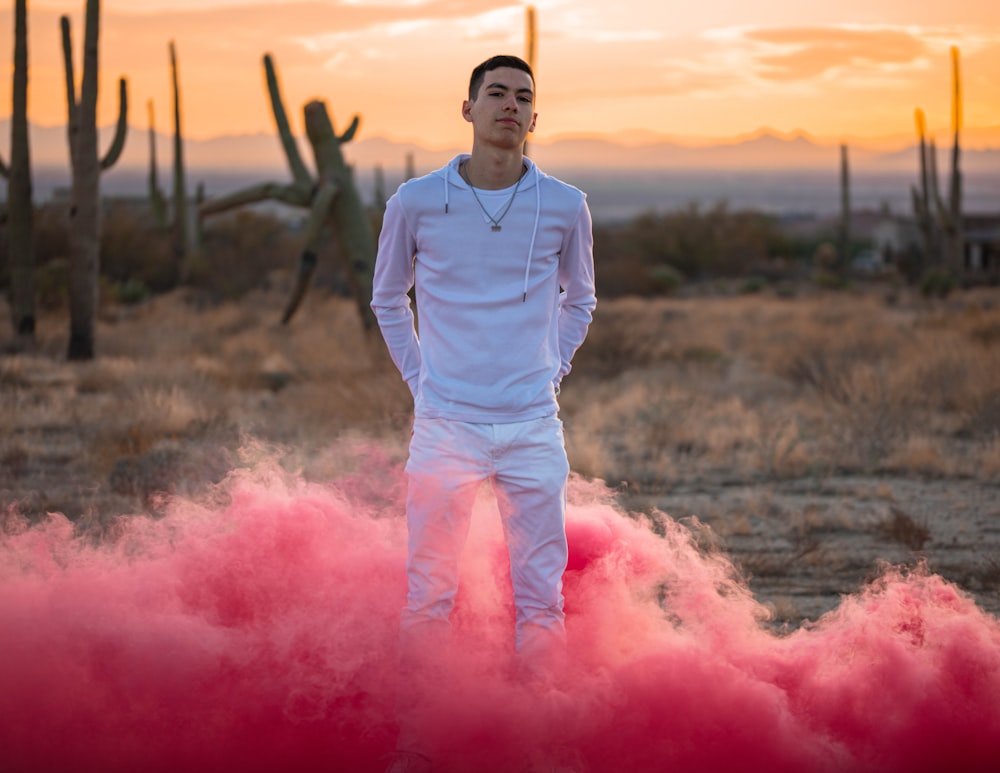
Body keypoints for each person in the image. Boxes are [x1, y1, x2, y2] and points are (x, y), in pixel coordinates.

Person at [371, 54, 596, 773]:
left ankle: (543, 743)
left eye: (523, 96)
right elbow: (387, 298)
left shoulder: (566, 204)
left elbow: (580, 299)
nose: (510, 104)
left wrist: (549, 368)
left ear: (536, 117)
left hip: (533, 426)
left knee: (541, 597)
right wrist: (422, 380)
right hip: (446, 426)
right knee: (429, 593)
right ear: (466, 109)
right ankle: (417, 744)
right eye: (495, 92)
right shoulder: (414, 200)